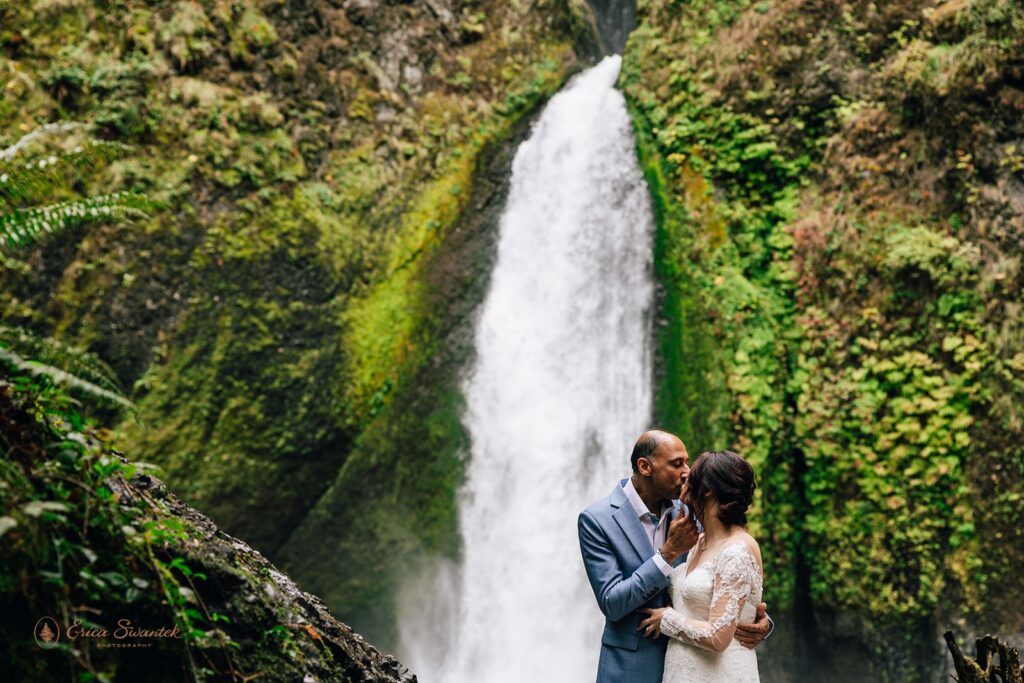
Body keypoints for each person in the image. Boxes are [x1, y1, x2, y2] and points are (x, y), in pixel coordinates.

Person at [578, 432, 771, 683]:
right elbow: (612, 604)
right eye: (676, 463)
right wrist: (667, 553)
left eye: (687, 462)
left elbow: (729, 572)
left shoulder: (694, 509)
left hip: (703, 665)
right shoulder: (597, 520)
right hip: (632, 667)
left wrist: (757, 621)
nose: (687, 473)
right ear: (645, 467)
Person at [637, 450, 766, 683]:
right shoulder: (697, 541)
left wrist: (666, 620)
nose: (684, 478)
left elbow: (719, 637)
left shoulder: (736, 549)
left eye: (691, 476)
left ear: (707, 490)